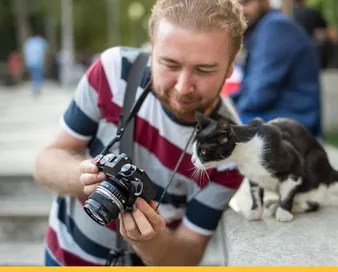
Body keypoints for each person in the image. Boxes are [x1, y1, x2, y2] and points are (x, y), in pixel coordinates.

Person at [33, 0, 246, 266]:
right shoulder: (114, 71)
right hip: (63, 256)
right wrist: (89, 177)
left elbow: (187, 255)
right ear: (152, 46)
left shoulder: (230, 150)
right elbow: (46, 161)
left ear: (230, 67)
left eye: (204, 70)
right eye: (169, 64)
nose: (182, 87)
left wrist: (149, 240)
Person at [231, 0, 322, 137]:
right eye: (236, 6)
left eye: (246, 2)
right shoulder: (264, 28)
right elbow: (249, 90)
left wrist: (226, 110)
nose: (242, 10)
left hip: (288, 125)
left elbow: (259, 95)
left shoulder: (275, 27)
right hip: (272, 119)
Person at [293, 0, 338, 69]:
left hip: (293, 58)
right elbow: (334, 36)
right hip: (311, 57)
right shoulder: (312, 13)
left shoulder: (286, 14)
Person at [22, 29, 48, 94]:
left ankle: (35, 87)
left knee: (33, 74)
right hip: (39, 61)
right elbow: (45, 51)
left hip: (30, 61)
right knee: (38, 74)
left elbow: (26, 53)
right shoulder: (41, 41)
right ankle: (38, 87)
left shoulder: (28, 42)